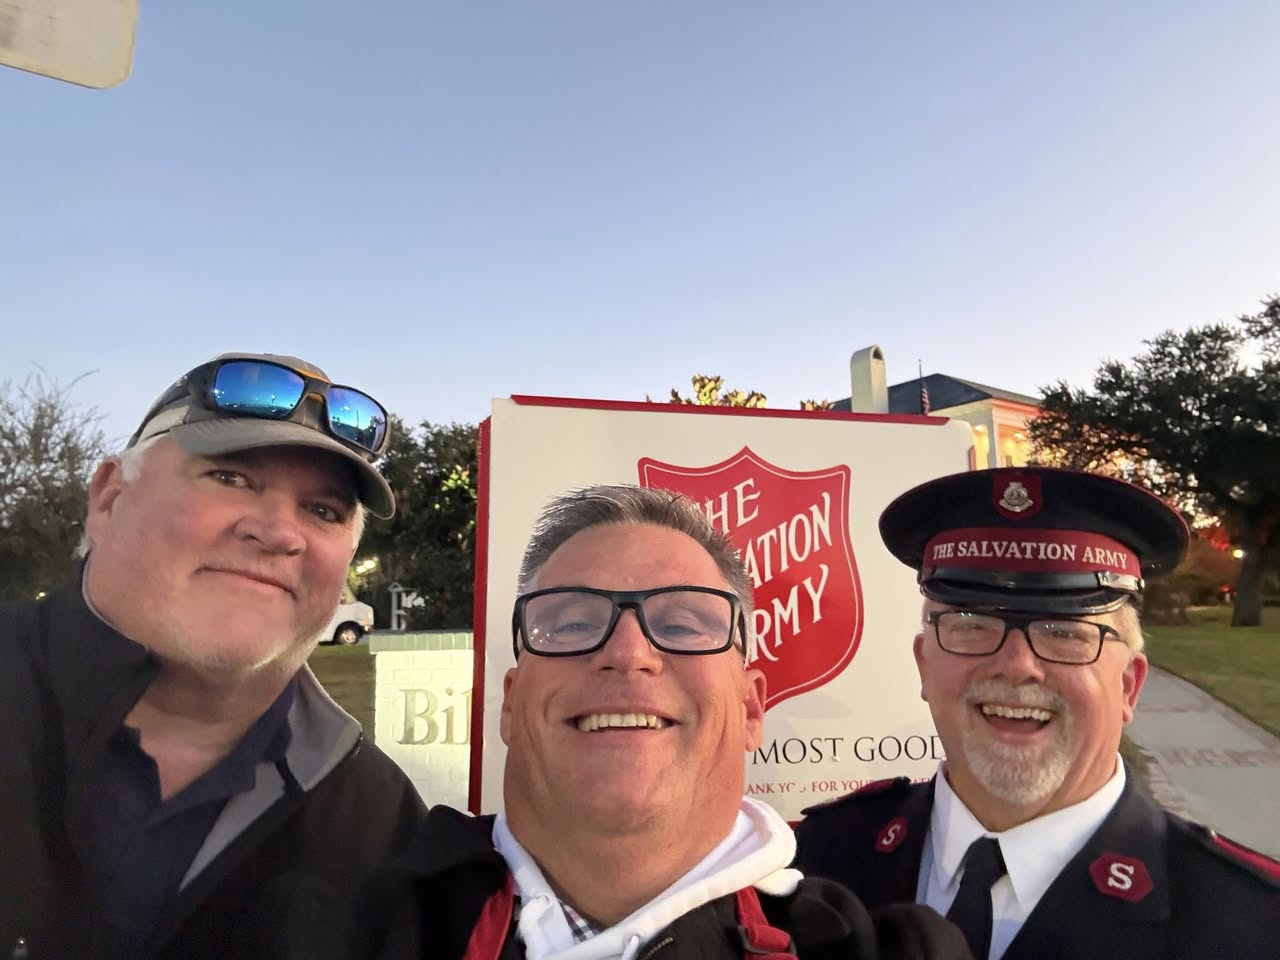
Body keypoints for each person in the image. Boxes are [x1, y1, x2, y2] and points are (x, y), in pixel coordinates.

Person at [354, 484, 972, 960]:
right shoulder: (341, 923)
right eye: (573, 623)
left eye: (681, 624)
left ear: (751, 709)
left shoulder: (882, 949)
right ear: (511, 705)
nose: (627, 652)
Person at [0, 353, 427, 960]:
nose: (278, 533)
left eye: (323, 511)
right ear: (110, 499)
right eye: (230, 478)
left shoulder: (380, 825)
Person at [794, 466, 1280, 960]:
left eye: (1064, 632)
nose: (1016, 666)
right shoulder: (821, 856)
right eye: (972, 625)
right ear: (924, 664)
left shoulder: (1252, 926)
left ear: (1128, 686)